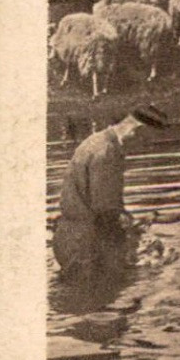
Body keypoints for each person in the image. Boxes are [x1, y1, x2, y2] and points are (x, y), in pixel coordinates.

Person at [51, 104, 168, 278]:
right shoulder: (107, 153)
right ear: (139, 129)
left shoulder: (98, 141)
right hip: (85, 244)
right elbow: (105, 209)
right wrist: (131, 235)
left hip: (72, 237)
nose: (146, 145)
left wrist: (128, 221)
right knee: (105, 291)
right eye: (148, 140)